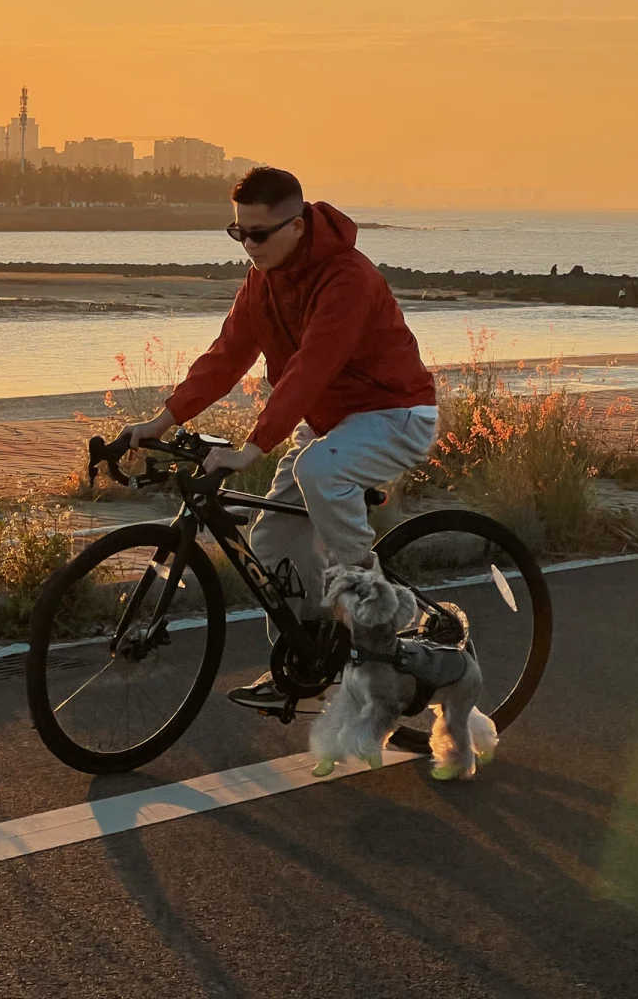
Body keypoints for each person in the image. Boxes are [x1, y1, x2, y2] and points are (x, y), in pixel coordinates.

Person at [120, 167, 438, 713]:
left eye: (259, 234)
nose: (248, 245)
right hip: (332, 425)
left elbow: (311, 367)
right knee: (270, 542)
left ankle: (375, 611)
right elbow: (226, 358)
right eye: (238, 232)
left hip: (395, 414)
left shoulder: (347, 279)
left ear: (298, 224)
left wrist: (253, 445)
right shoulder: (262, 282)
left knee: (319, 473)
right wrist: (161, 421)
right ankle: (308, 663)